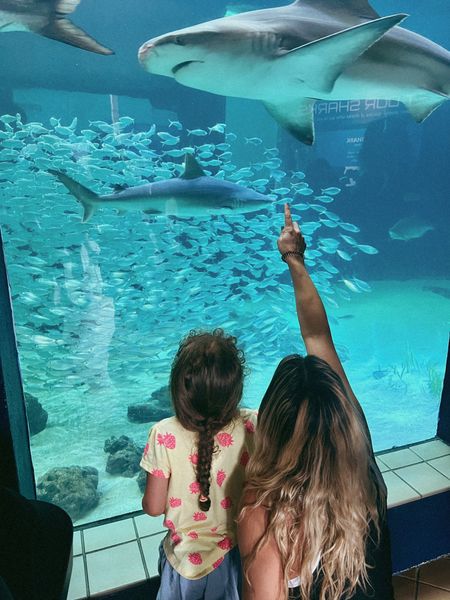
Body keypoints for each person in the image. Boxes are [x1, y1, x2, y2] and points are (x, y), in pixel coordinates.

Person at [238, 204, 393, 600]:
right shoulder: (362, 464)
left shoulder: (265, 513)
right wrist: (295, 259)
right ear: (343, 414)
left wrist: (292, 258)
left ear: (272, 427)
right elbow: (319, 337)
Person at [140, 329, 257, 600]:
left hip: (183, 564)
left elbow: (154, 507)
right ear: (235, 390)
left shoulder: (163, 433)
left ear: (179, 390)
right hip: (236, 556)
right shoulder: (253, 424)